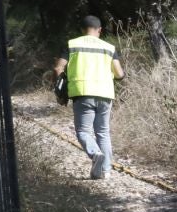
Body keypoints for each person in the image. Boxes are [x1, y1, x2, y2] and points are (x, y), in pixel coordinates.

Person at [53, 15, 124, 180]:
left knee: (83, 131)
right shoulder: (109, 47)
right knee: (103, 132)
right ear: (99, 30)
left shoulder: (72, 44)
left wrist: (59, 91)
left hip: (82, 92)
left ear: (82, 30)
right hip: (105, 93)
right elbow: (119, 74)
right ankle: (105, 171)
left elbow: (58, 69)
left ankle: (95, 154)